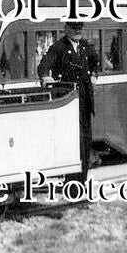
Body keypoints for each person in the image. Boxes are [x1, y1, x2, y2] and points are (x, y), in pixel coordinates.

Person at [37, 21, 100, 170]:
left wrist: (94, 77)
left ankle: (83, 176)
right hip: (68, 101)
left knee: (85, 138)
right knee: (73, 139)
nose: (78, 31)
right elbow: (43, 66)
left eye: (80, 28)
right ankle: (73, 178)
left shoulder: (85, 46)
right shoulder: (59, 47)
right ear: (66, 29)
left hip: (85, 98)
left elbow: (94, 63)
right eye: (74, 28)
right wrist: (46, 78)